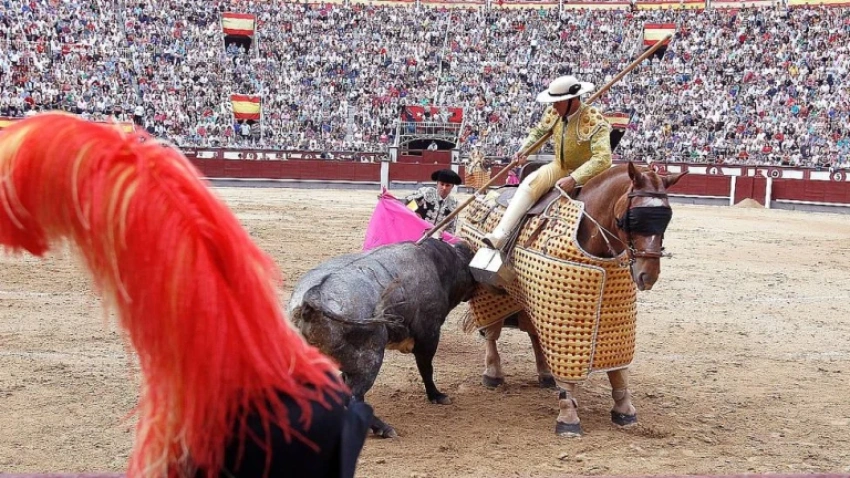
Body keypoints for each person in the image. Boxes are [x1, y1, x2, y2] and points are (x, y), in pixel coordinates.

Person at [483, 75, 613, 249]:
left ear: (571, 100)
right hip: (560, 166)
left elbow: (603, 158)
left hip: (591, 175)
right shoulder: (555, 113)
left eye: (557, 101)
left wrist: (574, 178)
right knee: (530, 183)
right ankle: (500, 234)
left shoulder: (595, 120)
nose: (553, 106)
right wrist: (524, 150)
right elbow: (538, 133)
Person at [404, 168, 462, 233]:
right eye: (442, 184)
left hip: (436, 240)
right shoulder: (425, 193)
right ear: (437, 184)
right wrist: (416, 216)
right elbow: (408, 207)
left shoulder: (453, 204)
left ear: (452, 186)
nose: (444, 188)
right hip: (418, 232)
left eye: (447, 185)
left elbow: (451, 228)